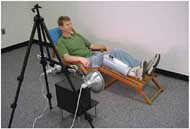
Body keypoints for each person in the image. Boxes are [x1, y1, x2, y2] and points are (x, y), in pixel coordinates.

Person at [56, 16, 160, 80]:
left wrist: (105, 47)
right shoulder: (61, 42)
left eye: (70, 24)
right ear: (61, 27)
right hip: (87, 61)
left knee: (117, 51)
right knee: (106, 58)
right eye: (67, 25)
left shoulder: (76, 35)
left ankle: (141, 65)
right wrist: (80, 59)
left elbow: (91, 46)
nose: (70, 26)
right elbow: (66, 58)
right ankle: (133, 73)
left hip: (94, 55)